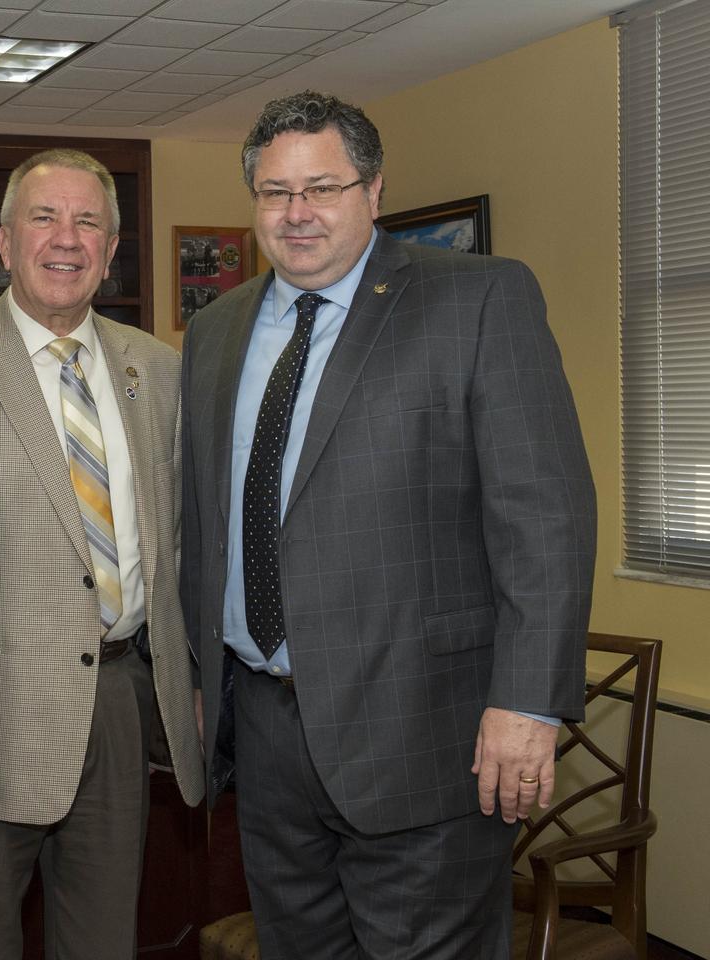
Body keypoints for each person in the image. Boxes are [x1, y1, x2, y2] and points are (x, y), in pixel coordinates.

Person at [180, 91, 596, 959]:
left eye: (322, 188)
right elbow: (211, 519)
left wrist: (527, 701)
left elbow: (545, 517)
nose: (296, 215)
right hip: (263, 734)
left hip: (424, 734)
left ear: (374, 190)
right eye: (273, 192)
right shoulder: (215, 331)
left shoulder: (478, 300)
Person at [0, 149, 204, 960]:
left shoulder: (157, 368)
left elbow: (178, 542)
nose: (66, 238)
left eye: (89, 222)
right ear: (5, 244)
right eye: (44, 217)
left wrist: (185, 682)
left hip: (121, 705)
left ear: (112, 250)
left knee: (103, 941)